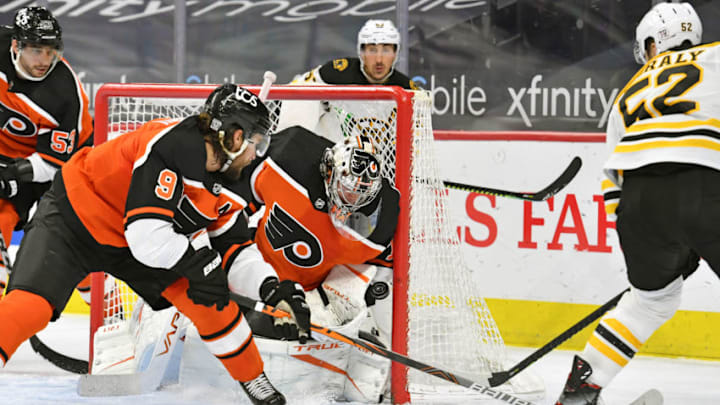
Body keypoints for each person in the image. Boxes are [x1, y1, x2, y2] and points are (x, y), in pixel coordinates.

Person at [0, 83, 300, 405]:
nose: (257, 153)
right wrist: (203, 266)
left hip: (142, 244)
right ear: (235, 137)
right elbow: (146, 236)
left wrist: (271, 288)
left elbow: (233, 245)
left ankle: (256, 382)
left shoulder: (235, 177)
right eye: (256, 141)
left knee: (212, 304)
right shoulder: (173, 146)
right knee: (30, 306)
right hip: (76, 218)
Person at [556, 3, 717, 404]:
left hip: (640, 206)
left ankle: (579, 393)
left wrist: (663, 241)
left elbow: (614, 183)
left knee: (650, 301)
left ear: (651, 44)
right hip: (706, 185)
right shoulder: (715, 57)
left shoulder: (630, 89)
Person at [226, 125, 399, 402]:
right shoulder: (287, 156)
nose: (351, 202)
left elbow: (381, 265)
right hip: (255, 275)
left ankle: (360, 359)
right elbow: (233, 204)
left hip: (313, 294)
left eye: (360, 196)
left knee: (335, 335)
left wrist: (368, 293)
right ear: (330, 171)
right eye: (347, 191)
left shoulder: (383, 213)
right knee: (243, 326)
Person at [0, 6, 94, 298]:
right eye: (36, 51)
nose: (45, 60)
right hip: (8, 158)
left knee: (72, 242)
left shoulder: (64, 95)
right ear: (16, 45)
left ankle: (104, 307)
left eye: (51, 51)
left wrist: (11, 174)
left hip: (64, 165)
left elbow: (55, 164)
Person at [275, 19, 419, 136]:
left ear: (395, 54)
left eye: (386, 50)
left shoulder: (407, 90)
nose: (379, 59)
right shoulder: (335, 73)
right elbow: (297, 90)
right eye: (372, 50)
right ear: (361, 52)